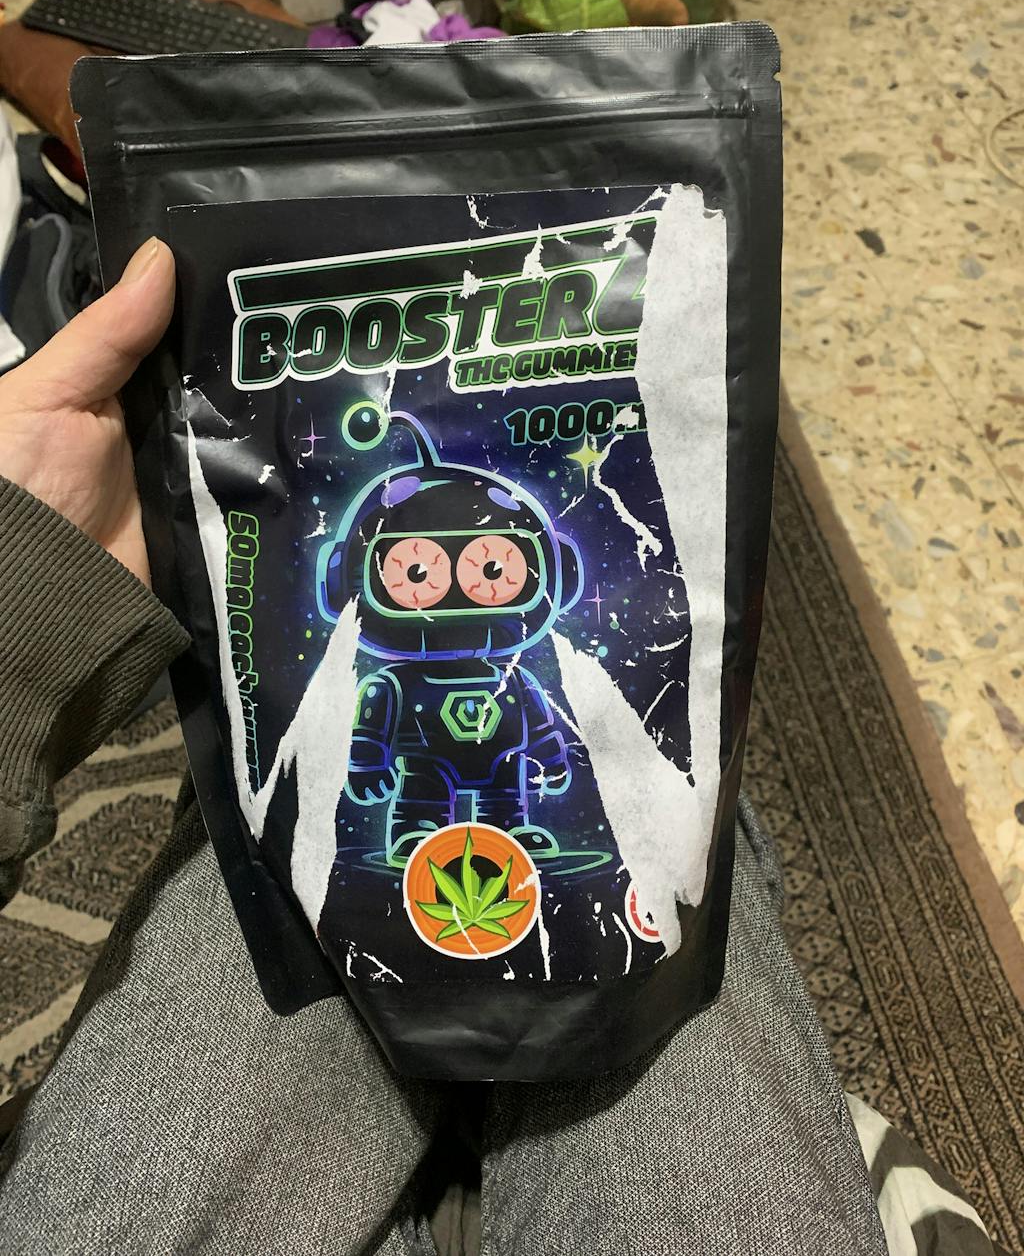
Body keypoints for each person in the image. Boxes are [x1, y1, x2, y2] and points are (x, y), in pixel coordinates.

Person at [0, 241, 996, 1255]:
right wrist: (383, 767)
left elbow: (540, 727)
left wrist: (550, 760)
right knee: (681, 874)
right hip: (424, 810)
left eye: (482, 569)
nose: (450, 591)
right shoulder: (394, 682)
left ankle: (438, 1168)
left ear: (532, 574)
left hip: (491, 808)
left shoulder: (506, 677)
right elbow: (387, 740)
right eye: (420, 572)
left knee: (256, 865)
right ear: (369, 579)